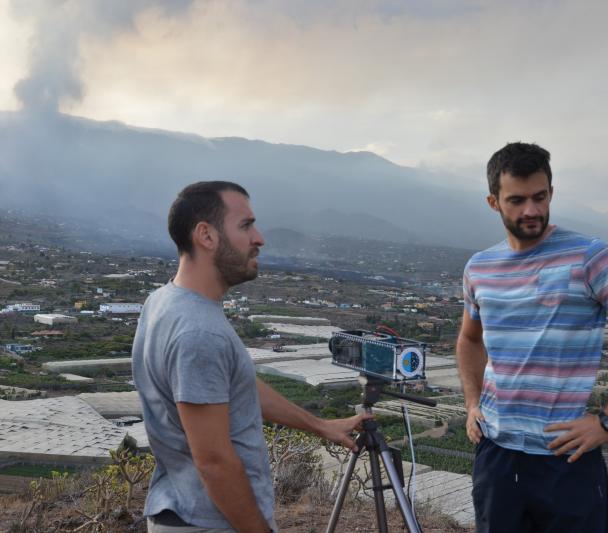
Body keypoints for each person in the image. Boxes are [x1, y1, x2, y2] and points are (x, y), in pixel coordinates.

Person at [132, 181, 369, 533]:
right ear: (206, 236)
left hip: (181, 511)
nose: (259, 238)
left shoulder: (165, 300)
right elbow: (213, 461)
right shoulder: (199, 331)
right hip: (209, 522)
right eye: (245, 226)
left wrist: (321, 426)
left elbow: (235, 384)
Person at [456, 142, 608, 533]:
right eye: (517, 200)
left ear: (551, 193)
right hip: (497, 457)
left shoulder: (590, 258)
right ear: (494, 202)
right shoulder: (480, 268)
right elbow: (469, 340)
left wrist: (605, 423)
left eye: (540, 197)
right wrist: (473, 403)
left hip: (567, 458)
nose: (532, 211)